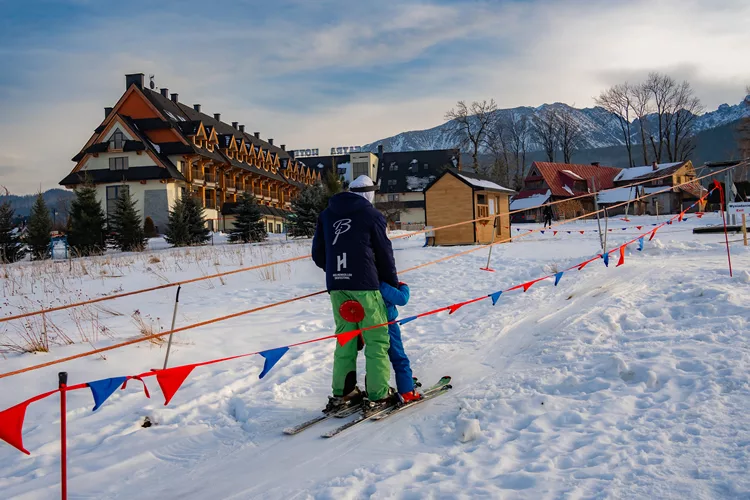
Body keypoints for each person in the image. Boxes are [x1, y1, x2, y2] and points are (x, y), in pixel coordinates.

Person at [312, 175, 399, 414]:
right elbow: (384, 254)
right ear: (369, 194)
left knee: (345, 338)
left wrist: (337, 271)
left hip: (337, 286)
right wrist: (391, 285)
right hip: (366, 286)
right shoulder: (372, 216)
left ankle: (343, 393)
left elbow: (318, 254)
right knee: (376, 339)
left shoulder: (326, 215)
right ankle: (378, 394)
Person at [379, 281, 422, 403]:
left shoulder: (360, 282)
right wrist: (403, 286)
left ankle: (375, 390)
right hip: (387, 324)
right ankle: (407, 390)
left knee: (376, 359)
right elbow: (401, 299)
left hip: (366, 325)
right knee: (399, 357)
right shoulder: (380, 283)